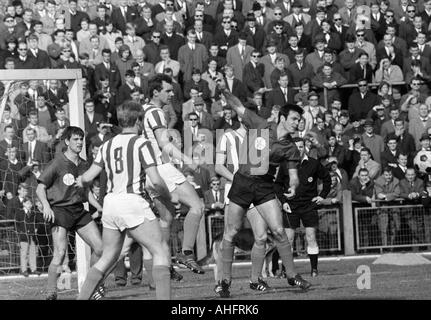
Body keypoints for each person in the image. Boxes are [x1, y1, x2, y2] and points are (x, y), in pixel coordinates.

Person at [218, 90, 311, 298]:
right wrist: (225, 91)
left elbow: (294, 175)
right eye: (295, 119)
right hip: (242, 183)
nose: (298, 123)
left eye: (300, 120)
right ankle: (224, 281)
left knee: (278, 231)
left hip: (264, 188)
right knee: (231, 233)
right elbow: (237, 106)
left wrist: (294, 186)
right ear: (283, 118)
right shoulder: (260, 124)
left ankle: (292, 275)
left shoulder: (291, 148)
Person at [76, 101, 171, 300]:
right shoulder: (141, 143)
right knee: (161, 250)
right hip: (132, 201)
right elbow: (155, 180)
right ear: (138, 121)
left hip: (110, 203)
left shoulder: (107, 144)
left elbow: (88, 176)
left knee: (107, 257)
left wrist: (80, 181)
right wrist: (168, 196)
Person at [142, 74, 205, 274]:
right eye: (167, 90)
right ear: (155, 92)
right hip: (161, 168)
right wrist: (188, 160)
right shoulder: (157, 112)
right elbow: (163, 143)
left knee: (166, 219)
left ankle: (162, 264)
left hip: (148, 172)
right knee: (197, 205)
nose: (171, 94)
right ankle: (186, 253)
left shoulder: (141, 111)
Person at [35, 126, 103, 300]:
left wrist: (99, 206)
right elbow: (40, 187)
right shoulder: (58, 162)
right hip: (59, 210)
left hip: (79, 210)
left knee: (100, 248)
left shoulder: (84, 164)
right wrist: (46, 206)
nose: (80, 142)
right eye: (76, 139)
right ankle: (51, 292)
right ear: (67, 141)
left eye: (81, 139)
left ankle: (94, 287)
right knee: (60, 253)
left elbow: (86, 191)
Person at [275, 137, 331, 277]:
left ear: (304, 147)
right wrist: (283, 201)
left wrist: (322, 195)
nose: (298, 149)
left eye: (301, 147)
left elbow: (327, 178)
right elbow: (277, 185)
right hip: (291, 207)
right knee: (289, 240)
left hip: (309, 205)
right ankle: (285, 270)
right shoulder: (285, 165)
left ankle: (314, 269)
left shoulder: (313, 163)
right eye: (295, 147)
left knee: (310, 237)